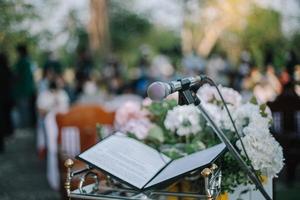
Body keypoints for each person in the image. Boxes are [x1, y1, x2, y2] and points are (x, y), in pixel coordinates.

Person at [13, 44, 36, 128]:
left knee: (23, 109)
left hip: (22, 90)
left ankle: (25, 126)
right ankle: (28, 125)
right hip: (29, 89)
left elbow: (16, 76)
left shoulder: (21, 62)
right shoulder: (29, 61)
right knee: (28, 109)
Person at [0, 52, 14, 152]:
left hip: (2, 99)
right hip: (8, 98)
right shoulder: (7, 70)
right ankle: (8, 133)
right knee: (7, 117)